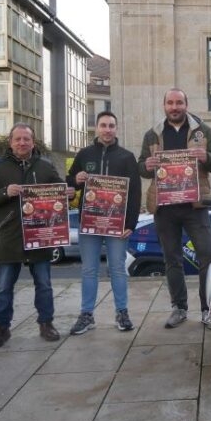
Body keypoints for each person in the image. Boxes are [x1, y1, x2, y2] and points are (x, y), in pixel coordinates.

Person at [0, 123, 72, 349]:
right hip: (10, 236)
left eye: (26, 139)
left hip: (40, 234)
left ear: (33, 142)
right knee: (4, 286)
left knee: (44, 284)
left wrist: (67, 193)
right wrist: (4, 192)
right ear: (10, 142)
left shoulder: (45, 166)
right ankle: (2, 328)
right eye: (17, 139)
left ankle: (46, 323)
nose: (22, 143)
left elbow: (59, 191)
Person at [138, 89, 211, 328]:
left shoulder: (203, 130)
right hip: (164, 207)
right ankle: (179, 308)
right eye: (170, 103)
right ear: (164, 105)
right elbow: (141, 167)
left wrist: (205, 156)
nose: (174, 107)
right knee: (171, 259)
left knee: (208, 255)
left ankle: (208, 308)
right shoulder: (152, 134)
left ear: (186, 104)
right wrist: (146, 165)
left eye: (179, 102)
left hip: (195, 205)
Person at [67, 111, 142, 335]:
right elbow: (70, 183)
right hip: (89, 222)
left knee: (117, 269)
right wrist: (75, 180)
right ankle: (87, 315)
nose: (107, 129)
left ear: (116, 129)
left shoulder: (126, 157)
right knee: (89, 270)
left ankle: (122, 312)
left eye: (111, 126)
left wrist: (131, 223)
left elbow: (135, 192)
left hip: (116, 223)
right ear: (97, 128)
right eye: (103, 125)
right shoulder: (84, 154)